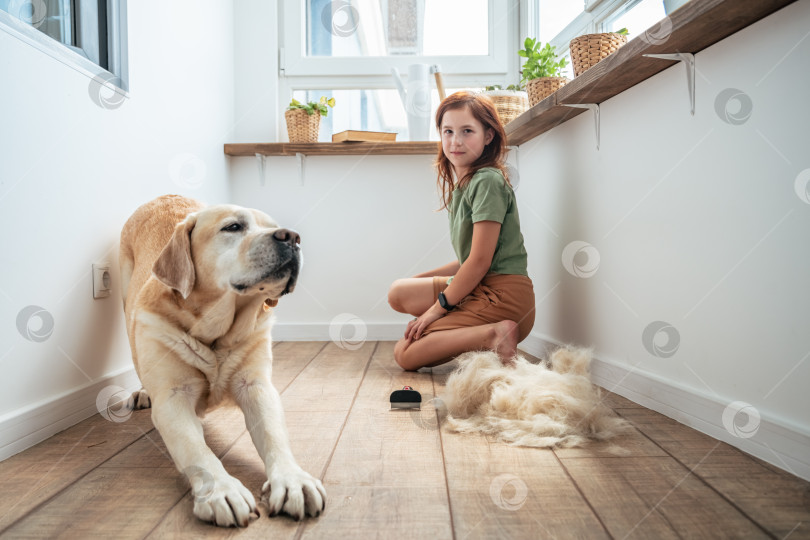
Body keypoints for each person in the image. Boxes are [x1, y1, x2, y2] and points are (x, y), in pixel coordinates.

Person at [388, 91, 535, 371]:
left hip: (503, 297)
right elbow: (467, 259)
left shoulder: (487, 181)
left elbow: (480, 262)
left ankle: (494, 333)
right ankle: (466, 324)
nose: (455, 141)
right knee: (399, 291)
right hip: (480, 286)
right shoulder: (465, 185)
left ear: (488, 136)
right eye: (448, 131)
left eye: (467, 131)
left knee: (404, 354)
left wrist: (434, 310)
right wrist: (418, 284)